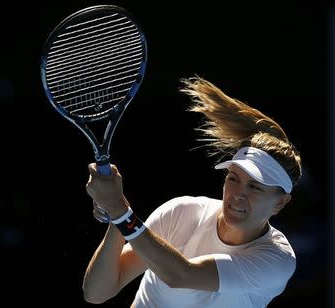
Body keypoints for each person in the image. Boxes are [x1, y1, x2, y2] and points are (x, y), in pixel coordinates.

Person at [82, 76, 302, 307]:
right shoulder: (182, 212)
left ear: (280, 203)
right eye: (233, 178)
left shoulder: (278, 261)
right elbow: (96, 293)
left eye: (255, 186)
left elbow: (181, 276)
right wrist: (116, 217)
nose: (238, 193)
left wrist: (120, 210)